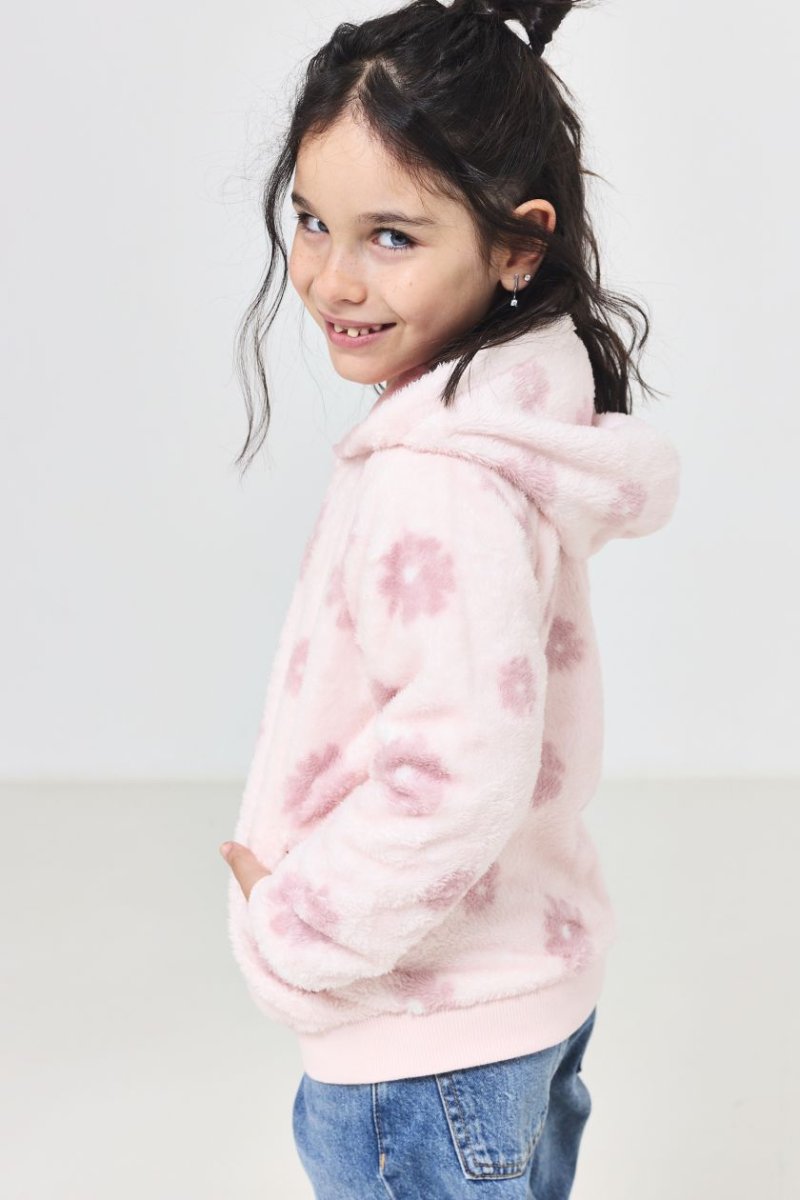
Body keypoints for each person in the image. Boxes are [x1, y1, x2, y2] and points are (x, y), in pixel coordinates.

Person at [219, 1, 681, 1195]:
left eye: (392, 236)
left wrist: (298, 925)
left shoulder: (439, 480)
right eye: (312, 221)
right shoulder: (504, 429)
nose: (331, 277)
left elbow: (456, 770)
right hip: (508, 1001)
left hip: (423, 1052)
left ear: (519, 246)